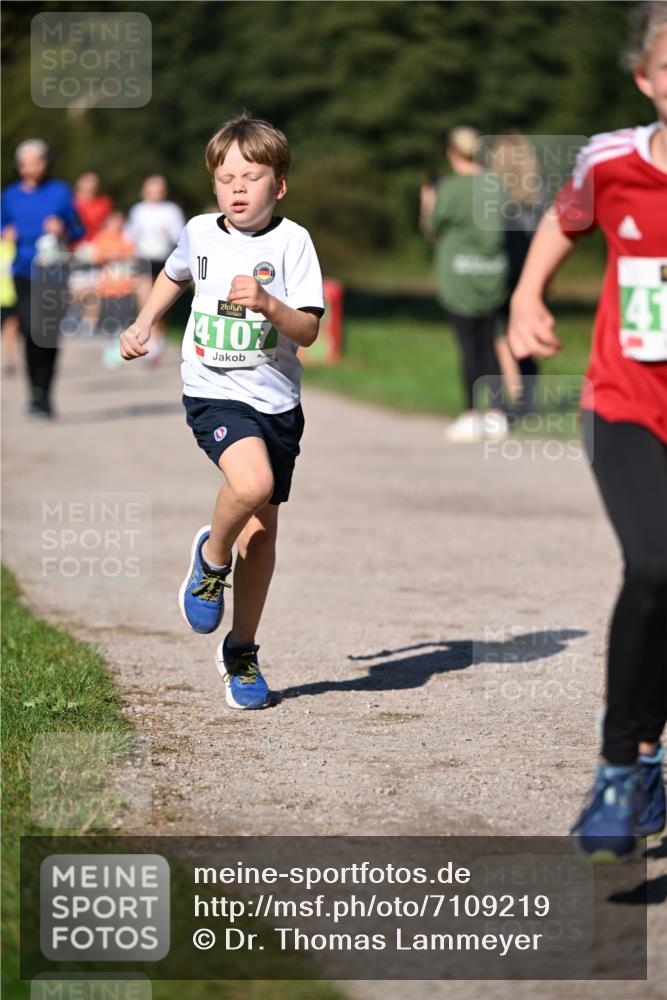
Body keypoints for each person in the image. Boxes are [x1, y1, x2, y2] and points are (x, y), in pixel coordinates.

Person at [509, 1, 667, 862]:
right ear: (645, 79)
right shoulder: (608, 161)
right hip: (624, 403)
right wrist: (526, 296)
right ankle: (618, 767)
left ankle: (645, 755)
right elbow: (562, 221)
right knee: (652, 565)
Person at [119, 113, 324, 710]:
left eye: (252, 176)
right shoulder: (201, 231)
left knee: (261, 538)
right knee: (251, 482)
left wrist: (268, 304)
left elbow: (308, 330)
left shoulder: (294, 242)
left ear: (278, 185)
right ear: (213, 184)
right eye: (226, 176)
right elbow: (173, 274)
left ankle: (242, 651)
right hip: (213, 388)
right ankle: (211, 560)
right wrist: (144, 320)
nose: (237, 187)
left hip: (277, 400)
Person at [420, 126, 508, 443]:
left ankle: (472, 413)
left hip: (460, 277)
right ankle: (497, 413)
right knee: (490, 343)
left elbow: (432, 227)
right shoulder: (497, 186)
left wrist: (428, 201)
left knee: (469, 346)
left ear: (452, 152)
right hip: (494, 275)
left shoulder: (451, 188)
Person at [1, 139, 83, 417]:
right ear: (19, 165)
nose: (31, 166)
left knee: (47, 334)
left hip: (53, 270)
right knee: (29, 329)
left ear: (46, 162)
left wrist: (62, 229)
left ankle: (45, 393)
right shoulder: (10, 194)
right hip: (23, 269)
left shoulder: (59, 191)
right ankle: (34, 392)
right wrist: (6, 232)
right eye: (25, 162)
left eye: (37, 160)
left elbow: (77, 229)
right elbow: (2, 224)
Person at [488, 133, 545, 414]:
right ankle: (529, 399)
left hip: (503, 272)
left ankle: (514, 398)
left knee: (501, 336)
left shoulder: (492, 197)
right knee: (526, 333)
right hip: (533, 272)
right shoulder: (538, 195)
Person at [124, 175, 185, 363]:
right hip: (143, 257)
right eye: (152, 187)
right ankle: (146, 335)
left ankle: (157, 337)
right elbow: (129, 235)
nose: (155, 192)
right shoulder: (138, 210)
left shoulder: (171, 210)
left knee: (160, 299)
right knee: (144, 297)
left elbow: (180, 235)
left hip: (164, 258)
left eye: (159, 188)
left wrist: (167, 233)